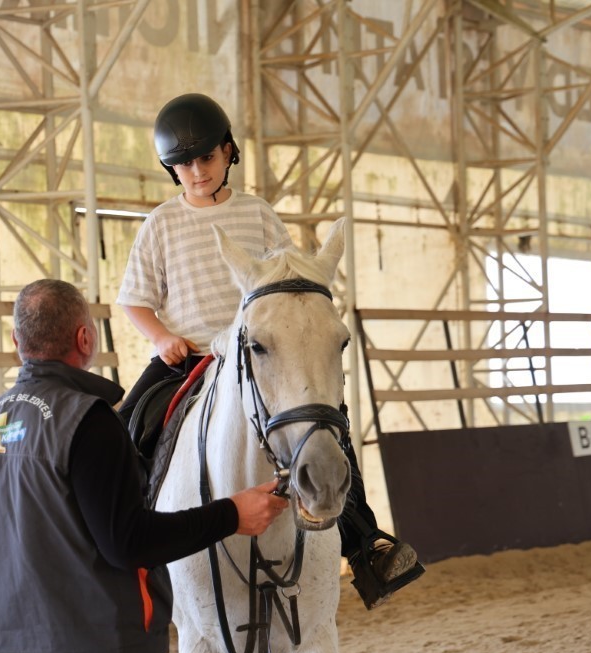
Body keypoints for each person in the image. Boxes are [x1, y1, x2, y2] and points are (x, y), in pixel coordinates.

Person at [0, 278, 289, 653]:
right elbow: (127, 542)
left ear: (16, 342)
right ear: (85, 339)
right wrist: (231, 514)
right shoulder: (88, 420)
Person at [116, 92, 424, 610]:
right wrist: (160, 338)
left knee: (328, 423)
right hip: (189, 359)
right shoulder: (160, 224)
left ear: (229, 151)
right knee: (128, 429)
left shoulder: (257, 214)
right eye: (184, 164)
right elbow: (134, 301)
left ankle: (364, 543)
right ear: (173, 170)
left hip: (259, 357)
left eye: (206, 158)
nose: (197, 171)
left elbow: (288, 279)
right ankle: (126, 554)